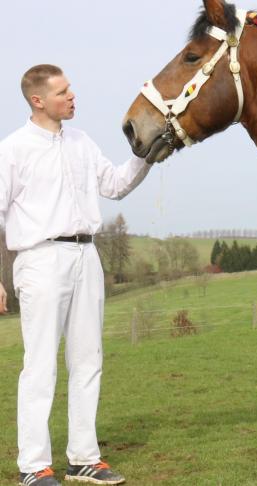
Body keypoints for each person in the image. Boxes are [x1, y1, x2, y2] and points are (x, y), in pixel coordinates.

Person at [0, 64, 153, 486]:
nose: (72, 96)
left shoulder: (82, 142)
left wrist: (146, 154)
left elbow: (115, 185)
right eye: (62, 92)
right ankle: (34, 466)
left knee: (88, 358)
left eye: (70, 89)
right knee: (40, 364)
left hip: (87, 255)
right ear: (38, 100)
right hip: (40, 258)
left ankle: (83, 458)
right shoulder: (12, 149)